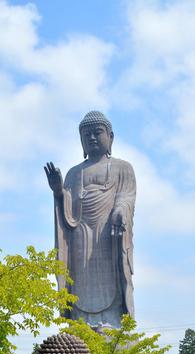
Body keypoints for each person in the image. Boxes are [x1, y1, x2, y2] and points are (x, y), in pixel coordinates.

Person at [44, 111, 136, 329]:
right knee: (79, 279)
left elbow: (127, 196)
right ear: (81, 141)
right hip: (80, 236)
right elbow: (66, 212)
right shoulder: (74, 173)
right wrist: (58, 191)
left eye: (97, 133)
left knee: (112, 277)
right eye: (87, 135)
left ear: (110, 137)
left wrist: (120, 210)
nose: (92, 138)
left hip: (109, 235)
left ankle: (112, 322)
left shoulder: (123, 168)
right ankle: (80, 323)